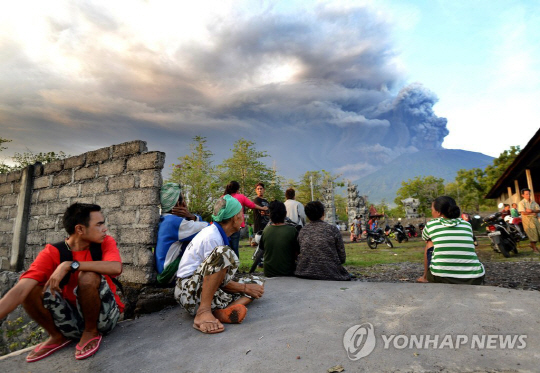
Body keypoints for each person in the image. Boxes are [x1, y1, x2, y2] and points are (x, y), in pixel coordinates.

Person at [0, 203, 124, 362]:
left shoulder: (105, 242)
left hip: (104, 317)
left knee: (88, 275)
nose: (104, 228)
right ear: (80, 229)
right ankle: (57, 336)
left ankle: (90, 332)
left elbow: (116, 267)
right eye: (99, 224)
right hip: (71, 319)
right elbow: (20, 290)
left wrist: (69, 265)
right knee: (29, 288)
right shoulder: (53, 252)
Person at [175, 195, 265, 334]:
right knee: (223, 253)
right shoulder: (212, 236)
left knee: (257, 283)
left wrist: (247, 287)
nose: (243, 217)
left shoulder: (217, 233)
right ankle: (203, 312)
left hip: (200, 287)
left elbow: (218, 278)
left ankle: (221, 312)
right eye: (241, 213)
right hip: (189, 292)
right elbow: (213, 278)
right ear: (235, 218)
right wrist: (245, 288)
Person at [417, 196, 485, 285]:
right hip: (475, 277)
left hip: (440, 277)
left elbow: (426, 240)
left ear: (438, 212)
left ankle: (425, 277)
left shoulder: (431, 224)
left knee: (430, 242)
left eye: (432, 209)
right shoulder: (466, 224)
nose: (431, 211)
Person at [155, 183, 209, 284]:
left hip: (164, 270)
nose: (185, 203)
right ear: (176, 203)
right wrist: (191, 216)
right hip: (169, 273)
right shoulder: (174, 222)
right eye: (183, 200)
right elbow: (208, 228)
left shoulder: (166, 219)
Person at [295, 201, 350, 281]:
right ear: (323, 213)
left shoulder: (302, 231)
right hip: (331, 272)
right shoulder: (332, 229)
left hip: (304, 271)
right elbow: (342, 257)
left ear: (307, 215)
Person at [223, 181, 268, 257]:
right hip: (235, 226)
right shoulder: (240, 197)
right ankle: (235, 267)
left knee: (226, 247)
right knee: (235, 248)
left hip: (225, 227)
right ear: (237, 189)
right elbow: (252, 205)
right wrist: (262, 208)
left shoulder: (223, 197)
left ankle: (226, 267)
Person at [258, 201, 300, 277]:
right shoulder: (292, 230)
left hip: (268, 272)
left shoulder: (266, 230)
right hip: (287, 272)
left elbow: (262, 248)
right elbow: (297, 252)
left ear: (270, 215)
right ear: (285, 213)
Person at [518, 188, 540, 253]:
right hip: (527, 221)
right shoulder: (521, 203)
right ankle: (534, 248)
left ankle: (531, 245)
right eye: (526, 194)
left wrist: (532, 210)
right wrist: (532, 213)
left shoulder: (533, 202)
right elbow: (523, 212)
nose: (528, 195)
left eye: (529, 194)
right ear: (523, 195)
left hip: (535, 219)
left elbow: (538, 209)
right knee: (532, 234)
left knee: (538, 233)